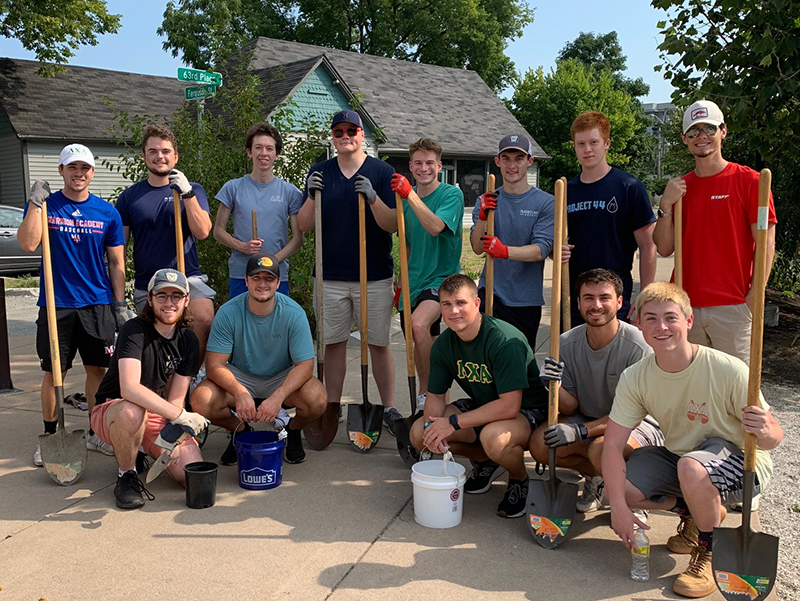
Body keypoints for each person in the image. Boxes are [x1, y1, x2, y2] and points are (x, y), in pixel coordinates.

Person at [602, 282, 783, 598]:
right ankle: (697, 513)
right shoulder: (636, 376)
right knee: (621, 487)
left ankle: (709, 551)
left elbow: (773, 439)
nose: (662, 327)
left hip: (742, 463)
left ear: (688, 321)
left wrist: (765, 431)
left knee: (690, 467)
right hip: (686, 461)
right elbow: (613, 445)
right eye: (652, 318)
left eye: (671, 317)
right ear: (639, 324)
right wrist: (617, 507)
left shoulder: (729, 369)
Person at [18, 143, 132, 466]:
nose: (78, 174)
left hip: (97, 303)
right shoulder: (46, 207)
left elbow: (116, 262)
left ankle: (96, 433)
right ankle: (52, 435)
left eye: (84, 168)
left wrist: (120, 304)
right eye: (72, 168)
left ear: (92, 172)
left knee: (98, 369)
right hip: (58, 304)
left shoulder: (107, 212)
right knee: (55, 370)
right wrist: (33, 201)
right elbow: (28, 243)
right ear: (61, 171)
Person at [297, 109, 404, 434]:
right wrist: (312, 196)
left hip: (372, 275)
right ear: (333, 136)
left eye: (351, 131)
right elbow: (304, 227)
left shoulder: (382, 171)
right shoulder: (320, 172)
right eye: (339, 132)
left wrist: (373, 198)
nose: (345, 137)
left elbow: (392, 225)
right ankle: (331, 405)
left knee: (378, 344)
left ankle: (388, 407)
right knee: (334, 343)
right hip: (329, 276)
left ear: (362, 134)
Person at [409, 275, 548, 519]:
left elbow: (509, 406)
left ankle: (518, 478)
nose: (454, 311)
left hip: (527, 410)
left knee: (493, 437)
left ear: (477, 303)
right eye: (446, 304)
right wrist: (433, 427)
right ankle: (485, 460)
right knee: (420, 433)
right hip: (484, 405)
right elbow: (436, 396)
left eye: (461, 302)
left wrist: (452, 424)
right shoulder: (444, 344)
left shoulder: (505, 340)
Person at [653, 100, 777, 365]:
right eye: (694, 131)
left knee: (737, 390)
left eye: (709, 128)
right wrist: (665, 206)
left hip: (733, 306)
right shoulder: (679, 188)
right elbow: (664, 248)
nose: (702, 136)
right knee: (694, 391)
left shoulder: (751, 181)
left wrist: (756, 294)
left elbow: (766, 242)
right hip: (685, 306)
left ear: (723, 131)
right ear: (684, 138)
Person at [528, 269, 661, 513]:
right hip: (588, 418)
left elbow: (634, 416)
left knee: (603, 449)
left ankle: (631, 495)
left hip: (636, 426)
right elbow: (570, 407)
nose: (596, 305)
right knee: (540, 443)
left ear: (620, 302)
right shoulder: (566, 342)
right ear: (578, 303)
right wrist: (552, 384)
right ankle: (597, 478)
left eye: (604, 298)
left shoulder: (638, 347)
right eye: (588, 298)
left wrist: (580, 431)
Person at [191, 254, 327, 465]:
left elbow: (305, 365)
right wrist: (239, 392)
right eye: (256, 278)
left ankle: (293, 430)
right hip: (241, 376)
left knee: (317, 399)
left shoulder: (294, 313)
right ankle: (240, 430)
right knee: (201, 398)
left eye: (269, 278)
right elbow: (214, 365)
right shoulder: (228, 313)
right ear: (246, 281)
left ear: (278, 283)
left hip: (280, 376)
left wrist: (278, 396)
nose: (262, 284)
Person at [91, 269, 208, 509]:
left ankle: (141, 447)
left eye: (176, 296)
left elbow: (176, 398)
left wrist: (176, 428)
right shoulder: (134, 330)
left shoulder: (188, 340)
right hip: (114, 408)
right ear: (151, 298)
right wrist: (181, 415)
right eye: (162, 295)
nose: (169, 303)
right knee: (132, 410)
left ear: (187, 300)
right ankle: (127, 475)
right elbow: (129, 389)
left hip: (154, 411)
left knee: (189, 472)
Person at [116, 123, 215, 362]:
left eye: (165, 151)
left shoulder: (193, 191)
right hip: (148, 282)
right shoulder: (130, 197)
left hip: (187, 276)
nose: (159, 156)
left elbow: (202, 232)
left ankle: (193, 374)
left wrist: (187, 193)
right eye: (153, 151)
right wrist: (119, 300)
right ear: (144, 156)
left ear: (175, 156)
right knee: (151, 339)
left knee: (204, 317)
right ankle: (159, 385)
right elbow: (118, 250)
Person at [390, 138, 464, 411]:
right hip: (414, 281)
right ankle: (438, 406)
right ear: (410, 166)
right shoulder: (404, 201)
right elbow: (408, 244)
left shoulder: (450, 195)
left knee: (419, 325)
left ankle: (426, 395)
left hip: (442, 280)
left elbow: (434, 226)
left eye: (429, 163)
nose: (424, 168)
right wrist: (400, 282)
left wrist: (410, 194)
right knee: (425, 340)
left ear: (439, 166)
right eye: (418, 163)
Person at [564, 111, 657, 324]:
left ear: (606, 143)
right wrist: (555, 251)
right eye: (581, 144)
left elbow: (648, 244)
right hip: (576, 298)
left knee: (620, 356)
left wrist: (646, 296)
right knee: (574, 356)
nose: (587, 149)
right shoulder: (566, 191)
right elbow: (557, 245)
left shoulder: (629, 187)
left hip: (615, 296)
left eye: (594, 142)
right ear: (574, 146)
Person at [470, 134, 554, 350]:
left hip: (525, 301)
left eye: (518, 158)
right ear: (497, 162)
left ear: (529, 161)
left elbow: (540, 250)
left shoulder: (546, 203)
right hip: (490, 294)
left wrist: (504, 251)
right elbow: (477, 248)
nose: (512, 165)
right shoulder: (487, 200)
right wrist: (482, 218)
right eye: (506, 158)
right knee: (487, 364)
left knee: (519, 368)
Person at [214, 122, 304, 299]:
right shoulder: (233, 188)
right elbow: (218, 231)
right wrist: (243, 247)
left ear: (277, 154)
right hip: (242, 274)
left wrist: (271, 262)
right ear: (249, 152)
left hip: (276, 275)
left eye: (269, 149)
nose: (264, 153)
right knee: (241, 325)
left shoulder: (290, 192)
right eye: (258, 148)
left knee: (275, 326)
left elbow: (298, 239)